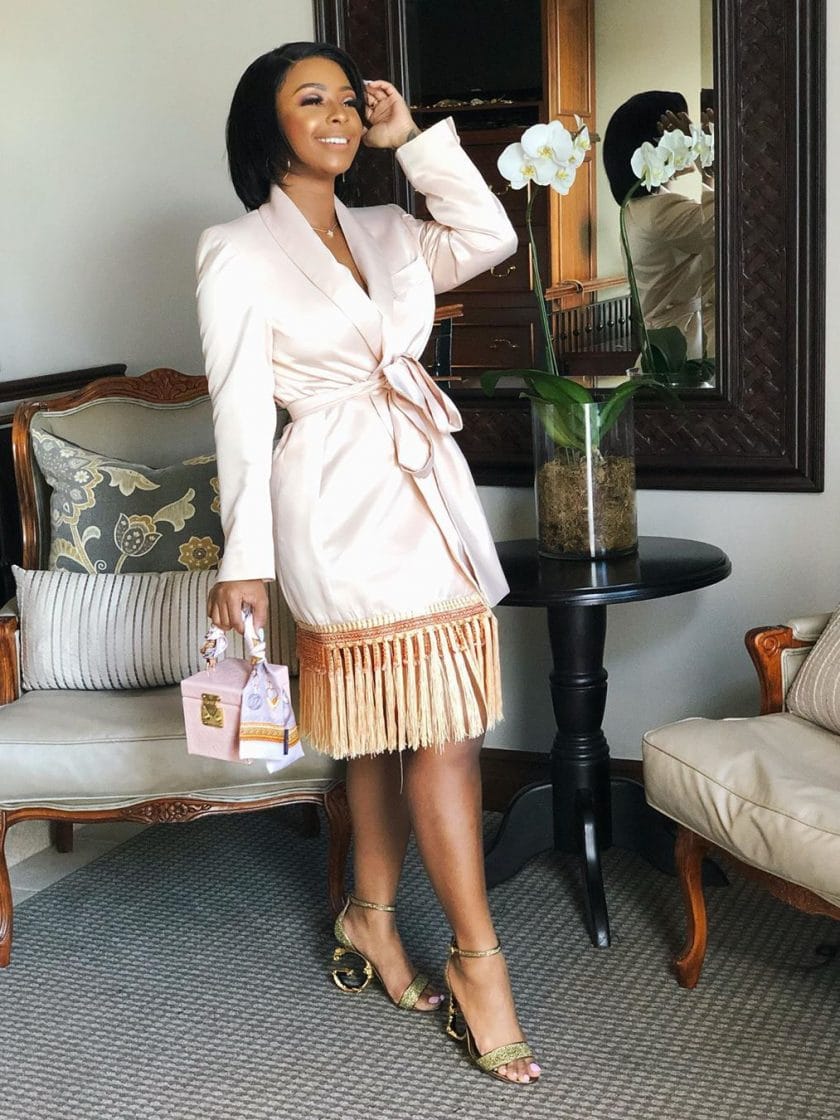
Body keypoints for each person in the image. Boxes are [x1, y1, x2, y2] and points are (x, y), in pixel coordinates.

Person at [195, 41, 541, 1085]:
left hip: (428, 491)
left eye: (350, 101)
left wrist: (413, 142)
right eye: (314, 100)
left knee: (422, 724)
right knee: (413, 726)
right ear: (266, 124)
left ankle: (371, 915)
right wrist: (245, 560)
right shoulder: (234, 250)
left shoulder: (391, 227)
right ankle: (480, 964)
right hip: (334, 504)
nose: (340, 115)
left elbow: (490, 234)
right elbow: (239, 414)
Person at [603, 90, 715, 359]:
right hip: (681, 347)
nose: (687, 135)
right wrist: (706, 157)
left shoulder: (639, 207)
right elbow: (726, 227)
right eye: (679, 130)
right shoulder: (660, 212)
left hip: (668, 341)